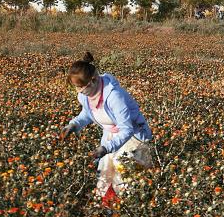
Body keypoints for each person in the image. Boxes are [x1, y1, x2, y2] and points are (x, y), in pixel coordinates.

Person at [59, 52, 154, 203]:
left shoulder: (114, 96)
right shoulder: (84, 95)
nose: (79, 91)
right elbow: (88, 113)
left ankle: (128, 209)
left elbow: (127, 129)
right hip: (111, 137)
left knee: (124, 173)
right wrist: (74, 124)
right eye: (76, 87)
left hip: (133, 138)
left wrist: (106, 148)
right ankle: (107, 211)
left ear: (93, 80)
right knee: (106, 173)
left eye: (81, 87)